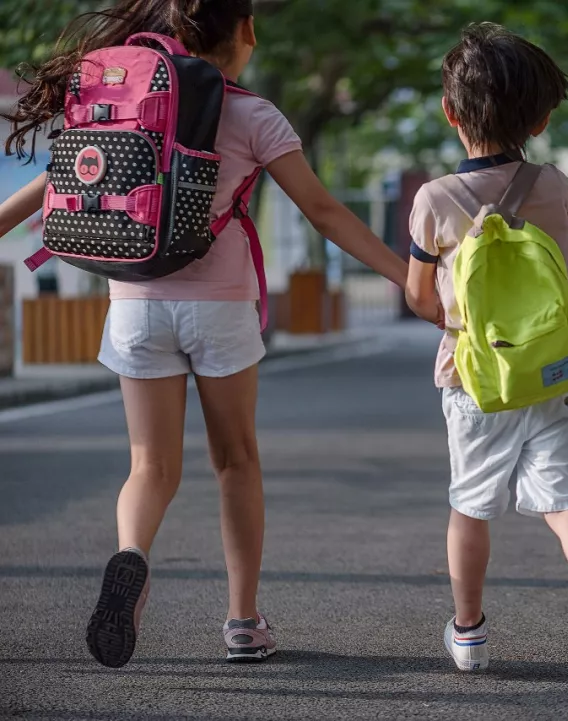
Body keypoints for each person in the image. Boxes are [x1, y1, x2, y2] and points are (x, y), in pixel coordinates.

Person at [0, 0, 411, 668]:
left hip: (134, 299)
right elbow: (326, 212)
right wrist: (410, 280)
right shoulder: (252, 114)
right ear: (244, 31)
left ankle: (131, 556)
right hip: (220, 307)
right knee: (236, 461)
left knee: (150, 466)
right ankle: (243, 620)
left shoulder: (129, 99)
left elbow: (51, 187)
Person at [404, 23, 568, 706]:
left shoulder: (434, 201)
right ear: (541, 117)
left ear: (450, 112)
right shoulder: (555, 184)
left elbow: (418, 298)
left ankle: (468, 631)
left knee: (470, 506)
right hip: (555, 375)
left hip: (475, 381)